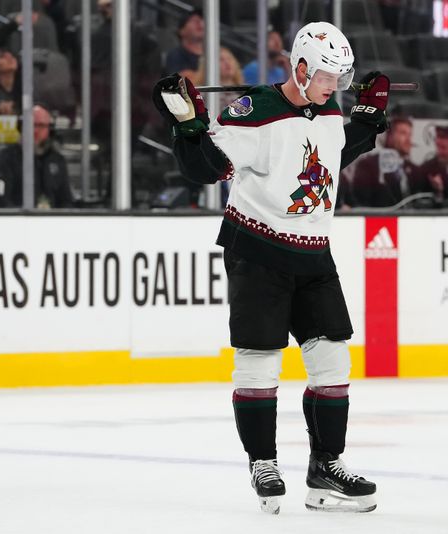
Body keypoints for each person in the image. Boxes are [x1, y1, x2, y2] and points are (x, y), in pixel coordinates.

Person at [153, 21, 387, 514]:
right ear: (299, 68)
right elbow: (205, 169)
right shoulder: (253, 112)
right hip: (257, 250)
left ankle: (325, 469)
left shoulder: (326, 110)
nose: (334, 87)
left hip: (314, 253)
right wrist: (187, 126)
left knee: (333, 362)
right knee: (258, 360)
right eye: (328, 76)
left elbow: (334, 153)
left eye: (342, 79)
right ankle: (263, 461)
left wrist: (369, 116)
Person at [0, 104, 73, 208]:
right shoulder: (6, 159)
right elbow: (0, 201)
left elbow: (66, 202)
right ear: (21, 127)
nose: (35, 131)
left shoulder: (58, 160)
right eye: (31, 125)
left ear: (50, 130)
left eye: (41, 125)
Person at [351, 115, 417, 207]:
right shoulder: (368, 165)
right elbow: (361, 204)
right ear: (389, 136)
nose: (408, 139)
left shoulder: (413, 169)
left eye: (410, 134)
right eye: (403, 133)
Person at [164, 10, 203, 84]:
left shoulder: (217, 54)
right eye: (194, 20)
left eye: (201, 20)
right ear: (181, 31)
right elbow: (183, 82)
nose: (199, 23)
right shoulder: (175, 55)